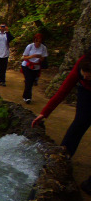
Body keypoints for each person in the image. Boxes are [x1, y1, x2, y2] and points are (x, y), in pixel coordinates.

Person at [32, 52, 91, 193]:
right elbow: (63, 91)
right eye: (83, 75)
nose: (85, 77)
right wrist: (44, 113)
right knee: (79, 124)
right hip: (86, 94)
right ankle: (62, 158)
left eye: (89, 76)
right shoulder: (81, 64)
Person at [20, 33, 48, 104]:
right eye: (37, 41)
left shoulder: (43, 48)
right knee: (28, 80)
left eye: (39, 41)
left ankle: (25, 95)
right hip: (27, 65)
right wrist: (32, 56)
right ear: (34, 40)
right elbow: (24, 57)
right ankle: (27, 97)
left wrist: (39, 57)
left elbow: (43, 59)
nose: (38, 43)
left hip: (36, 67)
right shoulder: (30, 46)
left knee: (31, 82)